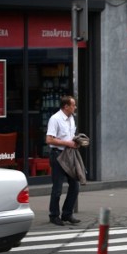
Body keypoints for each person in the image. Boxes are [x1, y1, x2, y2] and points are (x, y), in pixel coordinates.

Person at [46, 95, 81, 227]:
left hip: (69, 154)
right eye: (73, 105)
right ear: (66, 106)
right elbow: (49, 139)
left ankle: (67, 213)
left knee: (75, 185)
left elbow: (70, 136)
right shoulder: (55, 119)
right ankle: (54, 215)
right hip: (58, 155)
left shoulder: (72, 118)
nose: (75, 107)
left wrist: (76, 141)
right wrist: (67, 143)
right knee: (57, 188)